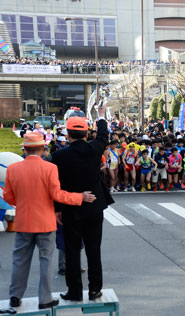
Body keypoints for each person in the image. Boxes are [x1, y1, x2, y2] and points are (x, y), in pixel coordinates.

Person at [3, 132, 96, 309]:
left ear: (25, 149)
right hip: (45, 221)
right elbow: (57, 195)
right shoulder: (50, 168)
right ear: (43, 149)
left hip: (23, 221)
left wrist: (21, 203)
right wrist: (80, 197)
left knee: (19, 260)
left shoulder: (13, 169)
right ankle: (44, 299)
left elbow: (7, 195)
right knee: (46, 260)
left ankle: (15, 296)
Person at [52, 111, 114, 302]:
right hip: (94, 206)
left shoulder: (58, 156)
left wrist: (57, 209)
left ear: (67, 135)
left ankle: (74, 292)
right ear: (87, 134)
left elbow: (56, 184)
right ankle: (95, 289)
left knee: (72, 251)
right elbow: (104, 135)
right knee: (93, 250)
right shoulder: (95, 149)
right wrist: (101, 118)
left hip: (70, 208)